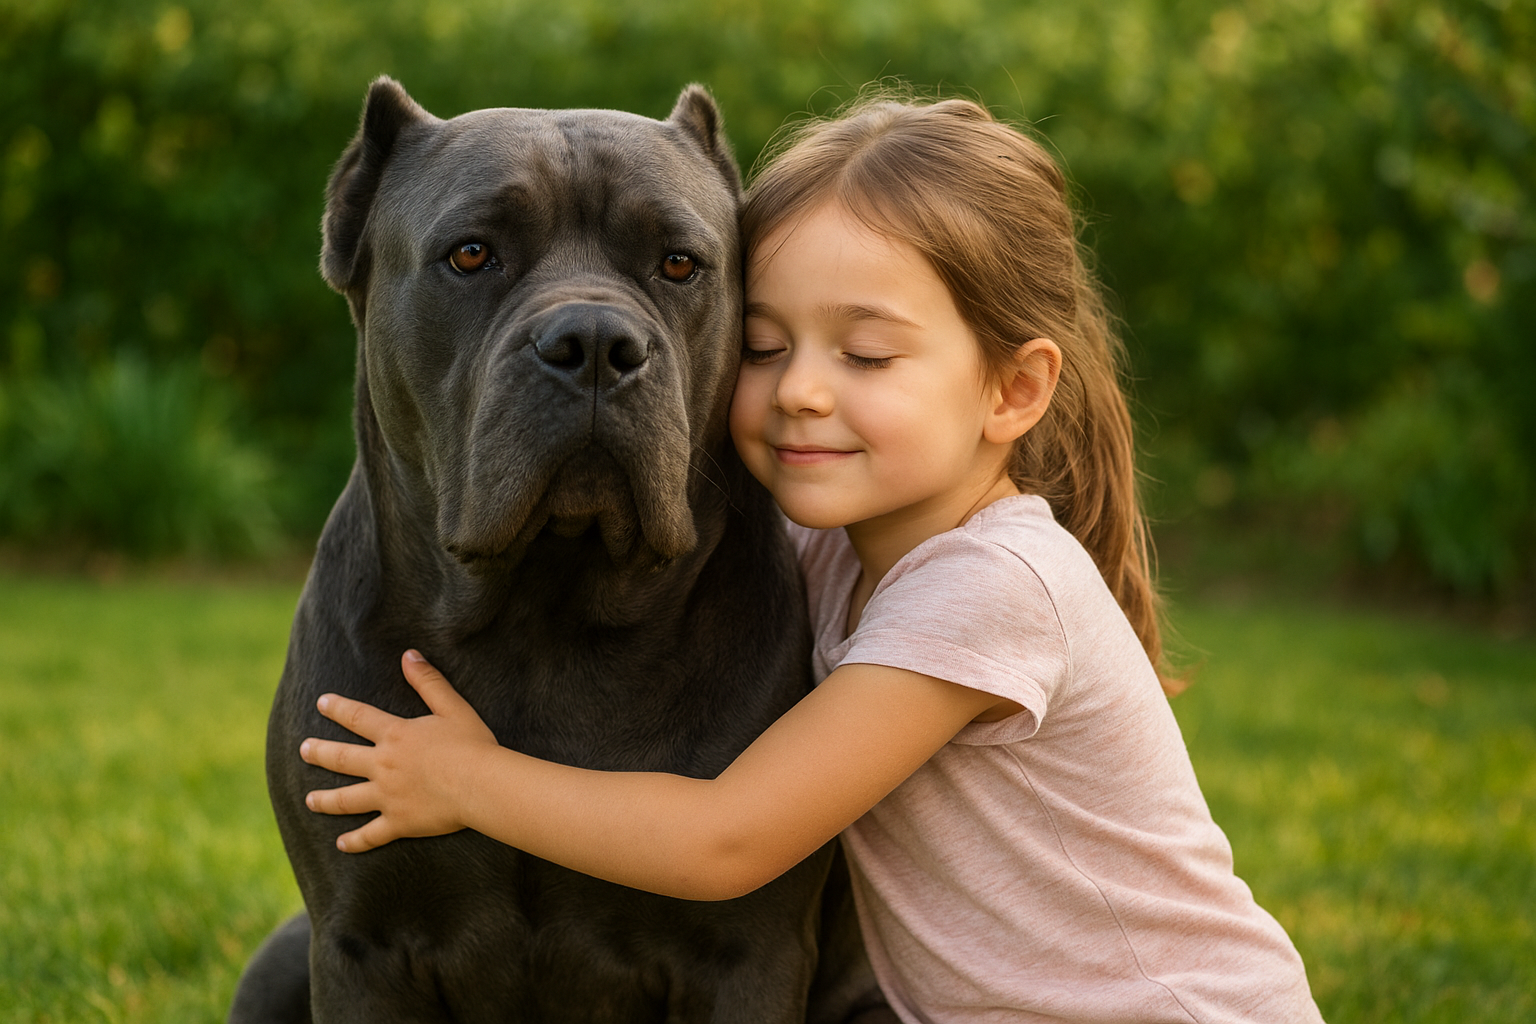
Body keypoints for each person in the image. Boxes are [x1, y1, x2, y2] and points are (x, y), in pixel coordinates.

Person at [299, 96, 1324, 1023]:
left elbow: (724, 842)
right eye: (768, 344)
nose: (802, 392)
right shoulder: (829, 550)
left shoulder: (991, 587)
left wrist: (473, 784)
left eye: (677, 270)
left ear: (1010, 392)